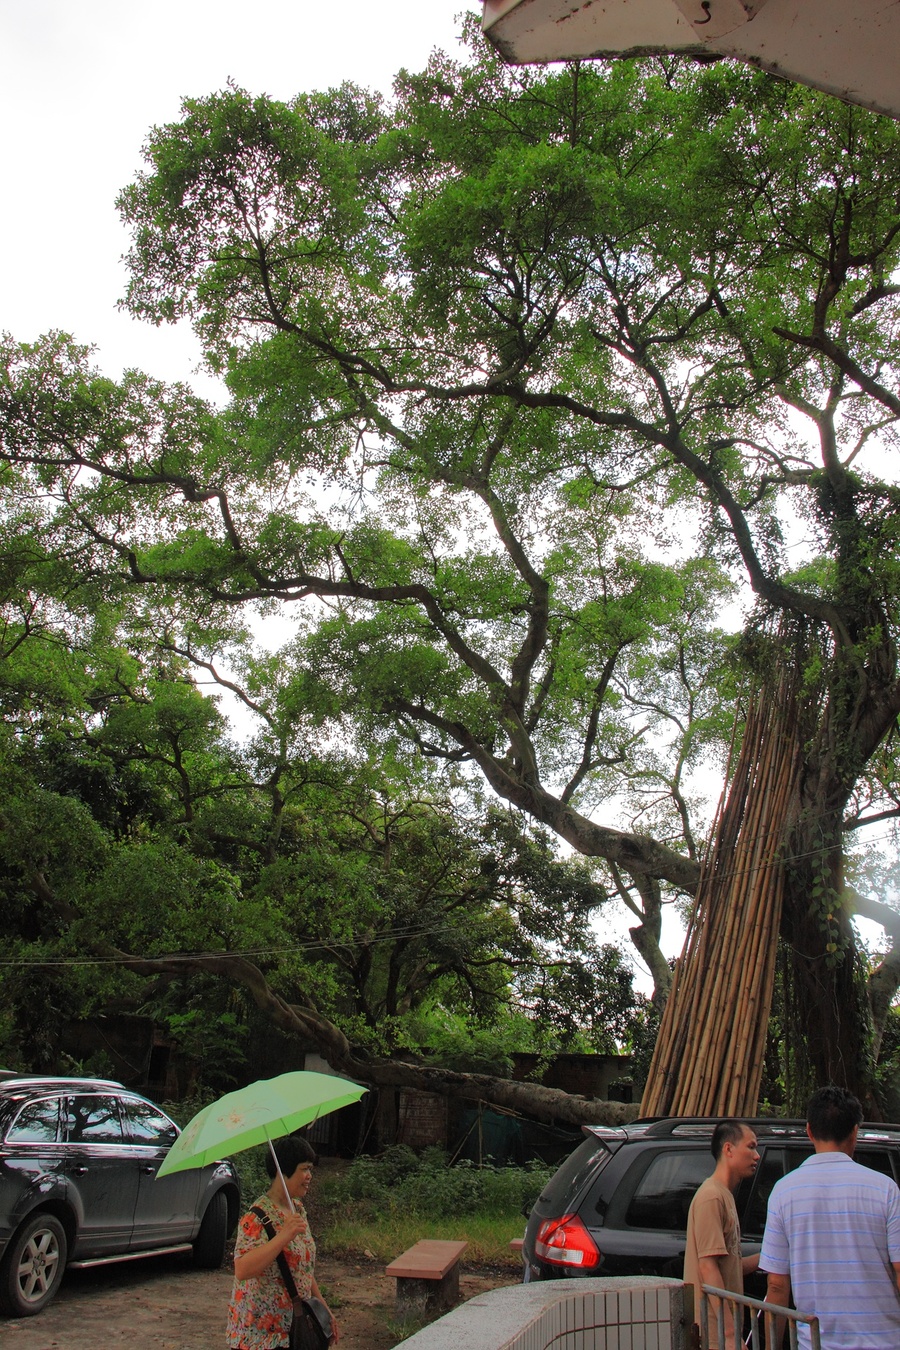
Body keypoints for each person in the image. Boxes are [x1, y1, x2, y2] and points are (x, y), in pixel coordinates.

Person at [760, 1085, 900, 1350]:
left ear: (810, 1130)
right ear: (855, 1131)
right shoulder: (885, 1190)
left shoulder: (784, 1191)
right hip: (884, 1342)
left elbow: (777, 1286)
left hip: (816, 1344)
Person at [227, 1134, 338, 1350]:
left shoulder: (297, 1210)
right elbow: (243, 1268)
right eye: (304, 1169)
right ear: (282, 1172)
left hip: (292, 1330)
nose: (309, 1176)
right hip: (258, 1336)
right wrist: (283, 1236)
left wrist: (324, 1310)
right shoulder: (257, 1217)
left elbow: (302, 1267)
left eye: (310, 1170)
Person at [683, 1119, 760, 1350]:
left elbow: (730, 1264)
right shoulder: (711, 1197)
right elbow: (708, 1267)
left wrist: (769, 1256)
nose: (756, 1155)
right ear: (728, 1149)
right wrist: (729, 1334)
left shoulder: (724, 1195)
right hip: (713, 1332)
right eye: (751, 1147)